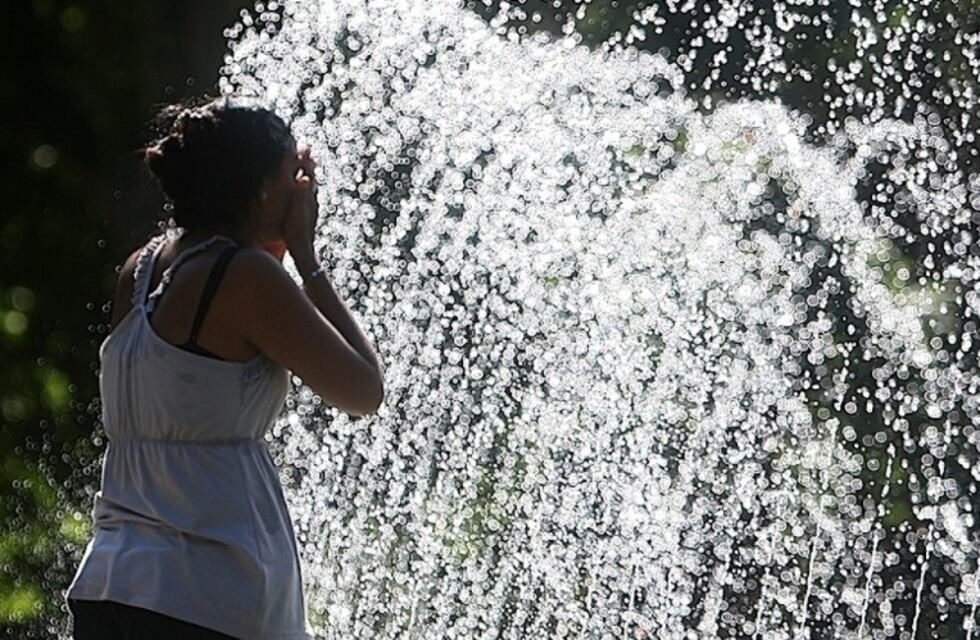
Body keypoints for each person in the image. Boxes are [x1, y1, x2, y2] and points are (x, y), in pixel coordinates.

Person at [64, 94, 385, 639]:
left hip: (112, 581)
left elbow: (196, 382)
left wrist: (275, 249)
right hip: (206, 591)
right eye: (293, 173)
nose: (304, 188)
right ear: (261, 187)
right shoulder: (245, 277)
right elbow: (363, 390)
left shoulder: (141, 268)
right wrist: (306, 257)